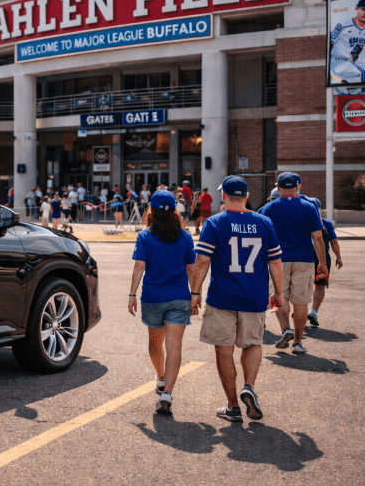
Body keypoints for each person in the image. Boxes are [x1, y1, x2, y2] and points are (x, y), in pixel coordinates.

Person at [191, 176, 284, 422]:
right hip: (254, 296)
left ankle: (233, 406)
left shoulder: (214, 223)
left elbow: (202, 262)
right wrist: (279, 292)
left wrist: (195, 292)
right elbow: (275, 261)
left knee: (224, 349)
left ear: (223, 196)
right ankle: (249, 387)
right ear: (245, 196)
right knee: (252, 344)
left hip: (223, 297)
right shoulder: (265, 223)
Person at [128, 190, 196, 414]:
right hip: (179, 297)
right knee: (174, 348)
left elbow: (139, 266)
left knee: (155, 343)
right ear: (174, 211)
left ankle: (160, 377)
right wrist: (196, 295)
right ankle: (167, 392)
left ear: (152, 211)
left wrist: (131, 295)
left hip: (153, 297)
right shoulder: (185, 237)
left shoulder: (145, 236)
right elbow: (191, 269)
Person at [258, 173, 327, 355]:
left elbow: (258, 236)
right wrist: (323, 263)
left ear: (278, 187)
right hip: (304, 259)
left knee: (281, 297)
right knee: (301, 302)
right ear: (298, 187)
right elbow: (318, 237)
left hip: (277, 260)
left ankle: (285, 329)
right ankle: (297, 342)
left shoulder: (267, 209)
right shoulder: (309, 207)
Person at [302, 197, 343, 327]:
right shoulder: (326, 223)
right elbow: (334, 242)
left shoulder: (301, 223)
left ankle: (300, 310)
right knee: (320, 286)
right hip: (323, 258)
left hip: (304, 258)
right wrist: (339, 257)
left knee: (302, 286)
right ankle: (313, 311)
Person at [328, 0, 365, 87]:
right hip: (337, 62)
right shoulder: (343, 25)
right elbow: (330, 43)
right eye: (363, 9)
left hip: (351, 65)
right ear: (357, 9)